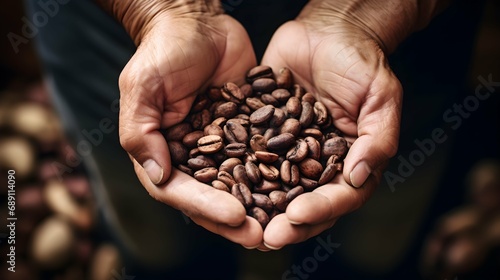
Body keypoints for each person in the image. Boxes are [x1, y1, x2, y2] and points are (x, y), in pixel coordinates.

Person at [26, 0, 476, 278]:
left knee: (378, 224)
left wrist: (363, 15)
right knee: (150, 218)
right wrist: (160, 9)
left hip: (401, 33)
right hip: (111, 23)